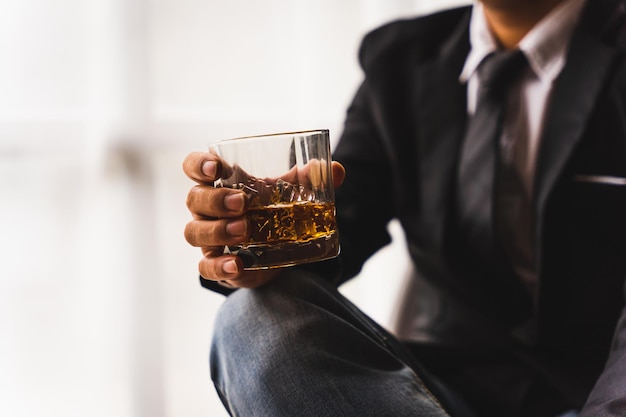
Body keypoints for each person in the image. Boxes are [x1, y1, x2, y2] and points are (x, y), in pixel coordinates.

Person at [183, 0, 626, 416]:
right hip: (445, 392)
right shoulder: (398, 59)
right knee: (252, 319)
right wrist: (254, 245)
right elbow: (341, 221)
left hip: (601, 387)